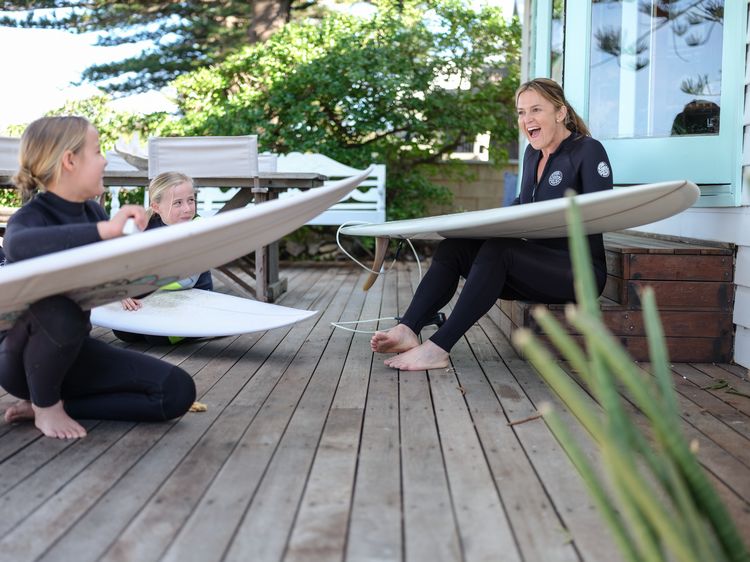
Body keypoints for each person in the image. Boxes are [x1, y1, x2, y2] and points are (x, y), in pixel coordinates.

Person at [371, 78, 613, 371]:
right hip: (538, 266)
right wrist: (479, 225)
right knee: (454, 249)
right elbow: (523, 204)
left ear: (560, 112)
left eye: (536, 110)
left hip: (578, 273)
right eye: (521, 112)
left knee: (501, 251)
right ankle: (409, 328)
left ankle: (438, 348)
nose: (527, 119)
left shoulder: (587, 150)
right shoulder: (532, 153)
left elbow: (601, 212)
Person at [0, 116, 196, 439]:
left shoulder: (93, 212)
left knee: (176, 390)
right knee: (60, 307)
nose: (104, 160)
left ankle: (56, 405)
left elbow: (116, 273)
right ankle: (46, 405)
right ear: (70, 161)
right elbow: (17, 245)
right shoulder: (32, 216)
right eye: (97, 151)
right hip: (21, 360)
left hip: (74, 350)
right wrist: (105, 231)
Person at [112, 171, 212, 345]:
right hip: (156, 297)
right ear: (156, 207)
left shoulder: (198, 228)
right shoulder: (146, 226)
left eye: (191, 200)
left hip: (192, 299)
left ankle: (199, 328)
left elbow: (186, 281)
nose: (187, 209)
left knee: (156, 336)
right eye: (178, 203)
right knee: (123, 332)